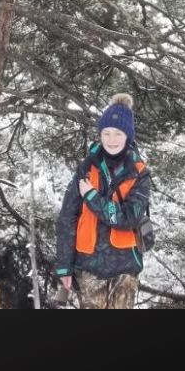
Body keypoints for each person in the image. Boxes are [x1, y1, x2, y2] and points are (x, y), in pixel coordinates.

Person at [55, 92, 152, 309]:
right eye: (106, 133)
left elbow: (130, 218)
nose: (111, 140)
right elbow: (67, 218)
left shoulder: (139, 172)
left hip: (125, 267)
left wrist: (91, 197)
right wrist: (64, 266)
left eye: (118, 133)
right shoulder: (86, 167)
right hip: (88, 266)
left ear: (128, 135)